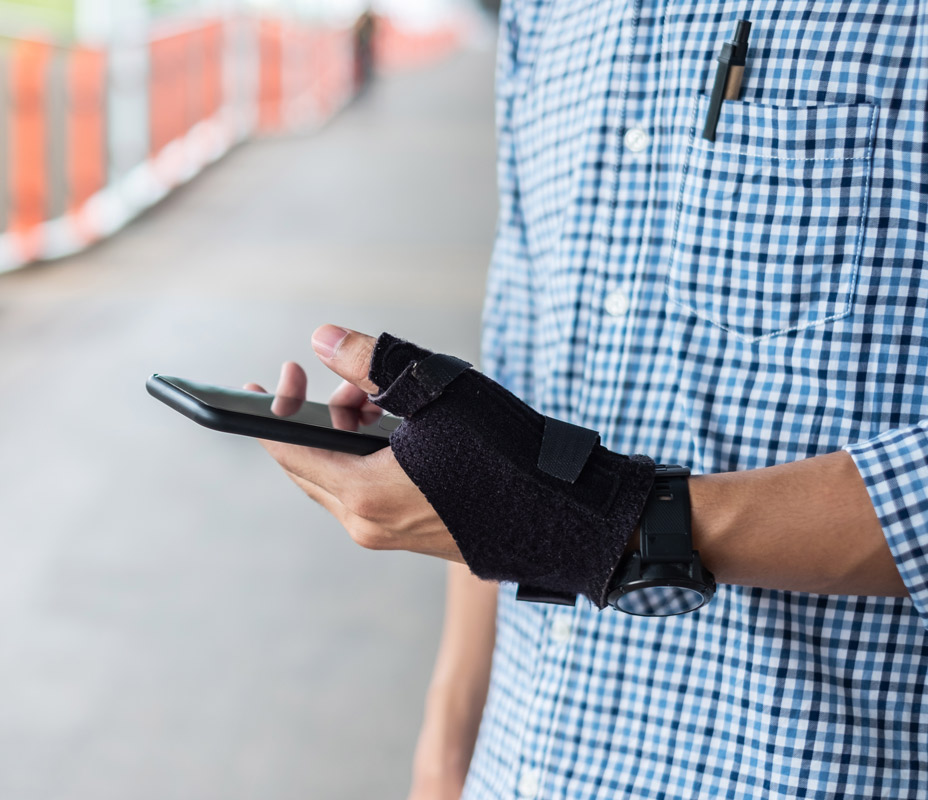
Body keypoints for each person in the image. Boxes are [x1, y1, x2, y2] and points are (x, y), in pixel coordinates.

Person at [254, 1, 928, 798]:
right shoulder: (550, 13)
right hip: (522, 763)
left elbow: (544, 503)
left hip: (794, 769)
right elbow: (508, 416)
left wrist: (611, 521)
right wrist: (443, 763)